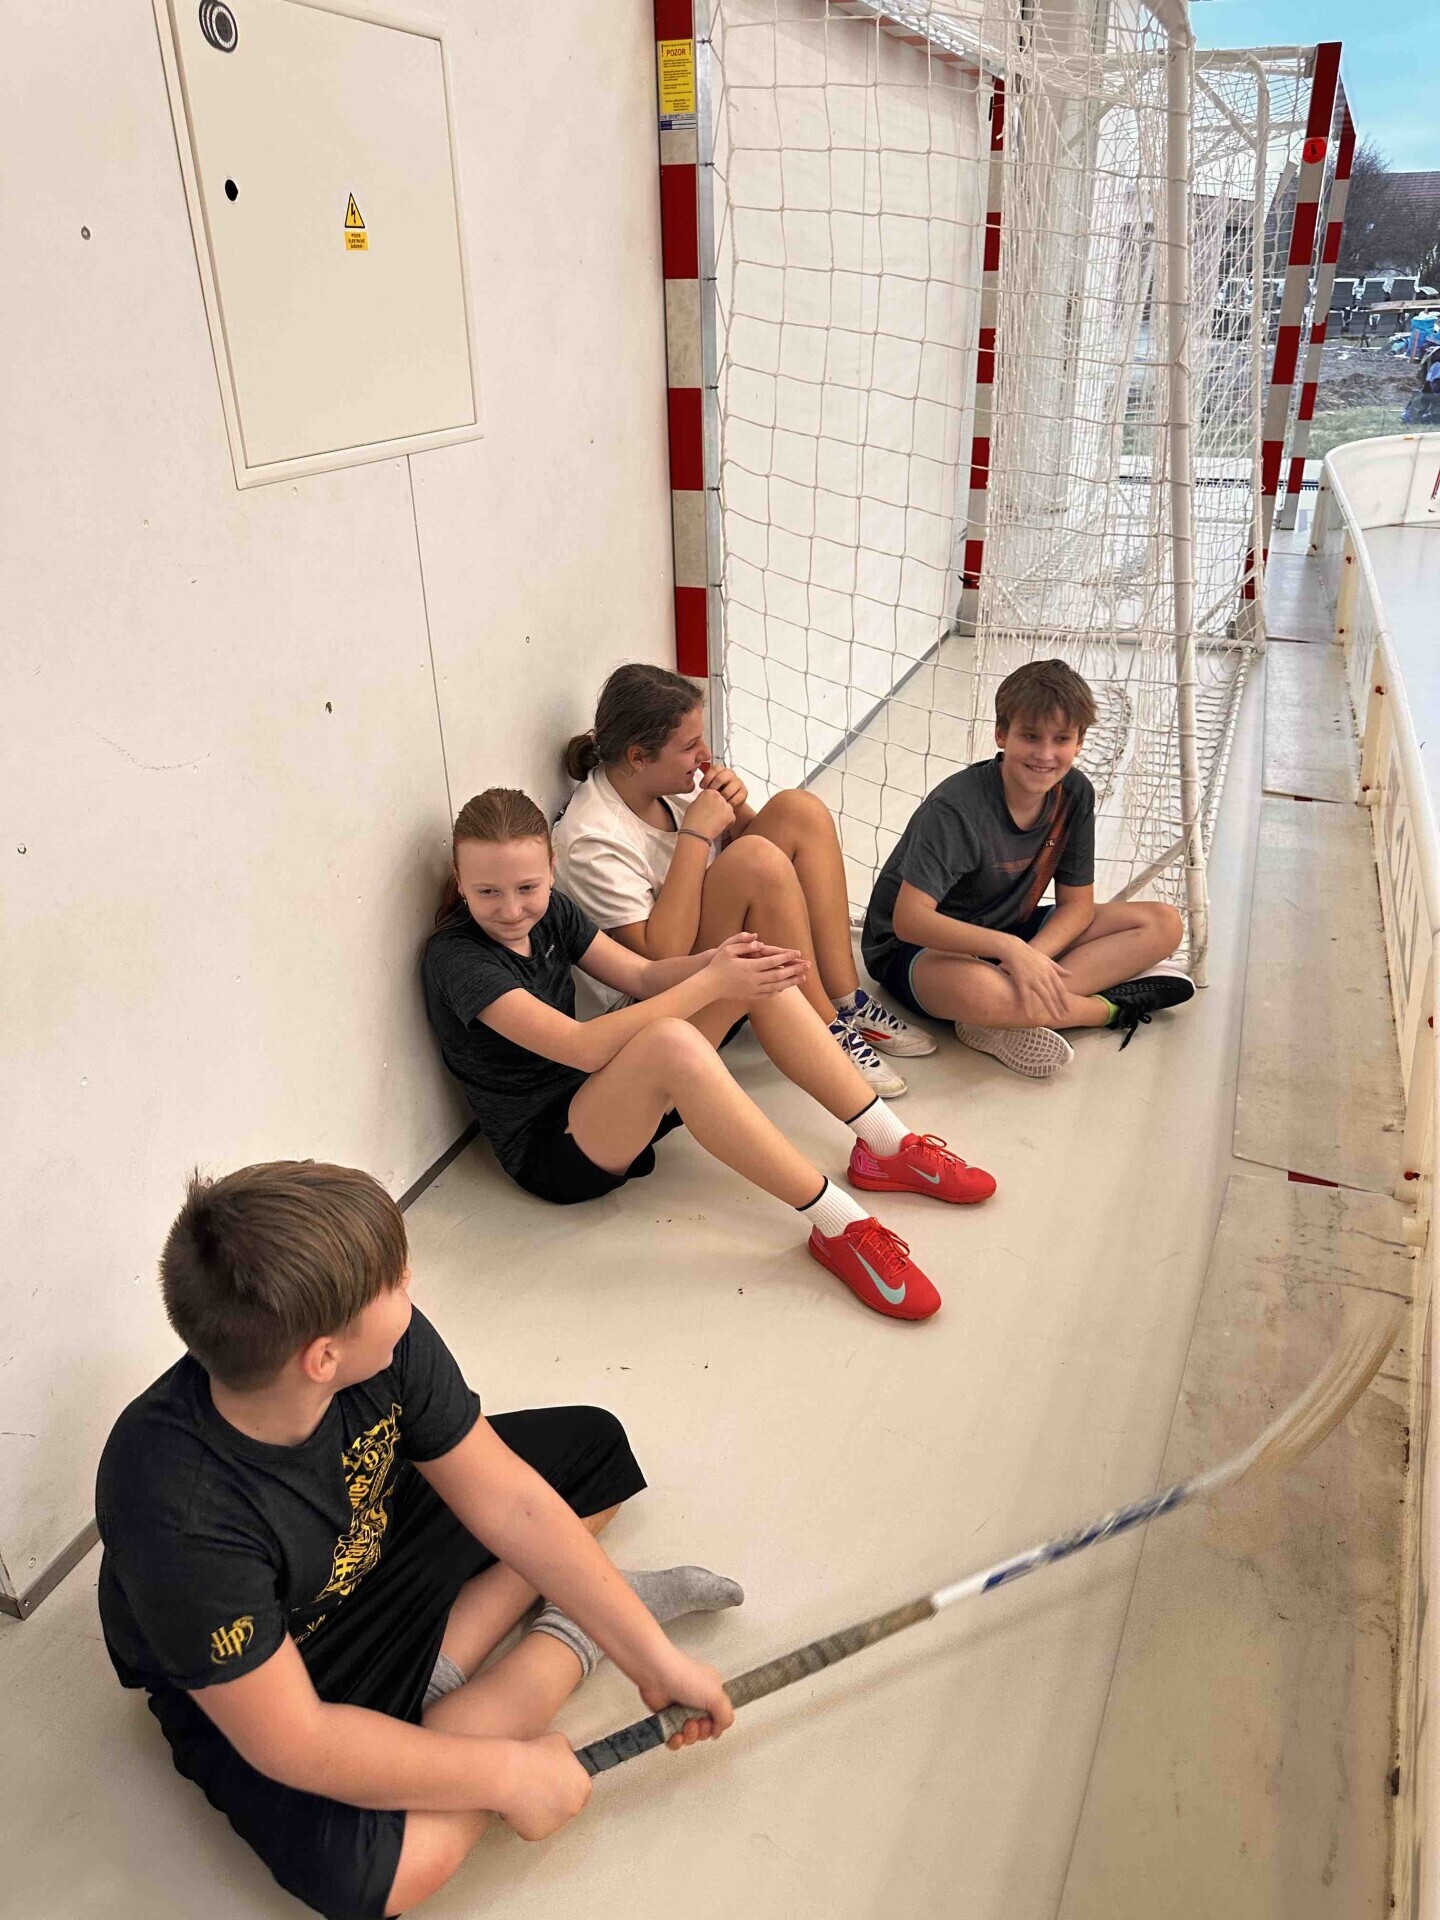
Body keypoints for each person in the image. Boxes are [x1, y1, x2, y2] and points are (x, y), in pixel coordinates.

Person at [95, 1159, 742, 1920]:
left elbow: (511, 1503)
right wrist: (509, 1775)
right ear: (323, 1357)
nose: (410, 1285)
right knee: (375, 1876)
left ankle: (442, 1677)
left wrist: (653, 1657)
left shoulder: (381, 1346)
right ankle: (561, 1644)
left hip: (367, 1538)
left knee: (594, 1455)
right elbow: (296, 1741)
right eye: (394, 1283)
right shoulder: (178, 1511)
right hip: (275, 1666)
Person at [422, 788, 997, 1322]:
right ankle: (839, 1225)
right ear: (459, 880)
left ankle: (887, 1146)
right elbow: (582, 1047)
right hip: (553, 1150)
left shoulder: (553, 911)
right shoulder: (457, 959)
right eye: (488, 892)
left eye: (526, 887)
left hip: (602, 1098)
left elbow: (642, 975)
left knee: (756, 978)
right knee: (672, 1040)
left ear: (550, 869)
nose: (511, 908)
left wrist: (720, 963)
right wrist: (711, 982)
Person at [553, 663, 935, 1098]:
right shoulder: (591, 839)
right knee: (754, 860)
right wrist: (696, 834)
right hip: (655, 1006)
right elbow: (659, 958)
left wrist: (737, 814)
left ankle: (846, 1001)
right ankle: (823, 1028)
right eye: (690, 746)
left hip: (705, 954)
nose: (704, 754)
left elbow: (773, 864)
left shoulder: (665, 783)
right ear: (639, 757)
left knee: (799, 811)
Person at [860, 659, 1194, 1079]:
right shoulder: (955, 809)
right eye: (1031, 736)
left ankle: (1011, 1012)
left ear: (1079, 742)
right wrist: (1011, 951)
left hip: (1008, 930)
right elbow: (909, 921)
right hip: (917, 948)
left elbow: (1078, 906)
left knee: (1162, 923)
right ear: (1002, 734)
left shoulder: (1075, 792)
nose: (1045, 754)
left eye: (1061, 739)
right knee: (985, 991)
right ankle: (1106, 1007)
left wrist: (1031, 956)